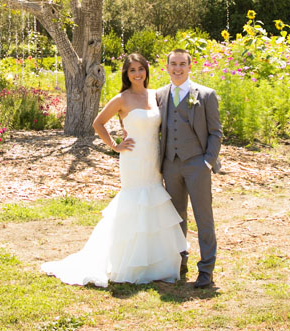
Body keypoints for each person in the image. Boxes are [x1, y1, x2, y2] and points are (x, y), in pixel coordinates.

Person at [40, 53, 187, 287]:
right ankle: (127, 262)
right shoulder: (122, 99)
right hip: (133, 159)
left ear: (146, 71)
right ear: (126, 74)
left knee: (154, 202)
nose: (138, 74)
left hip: (154, 159)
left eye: (141, 69)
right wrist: (115, 145)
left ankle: (155, 263)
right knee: (134, 203)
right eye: (132, 70)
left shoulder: (155, 95)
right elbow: (97, 123)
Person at [158, 48, 222, 289]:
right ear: (167, 67)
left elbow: (216, 132)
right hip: (170, 165)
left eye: (182, 63)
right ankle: (179, 262)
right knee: (176, 217)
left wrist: (207, 161)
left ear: (189, 66)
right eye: (173, 63)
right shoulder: (160, 95)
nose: (177, 68)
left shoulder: (205, 95)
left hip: (197, 164)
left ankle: (206, 270)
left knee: (203, 217)